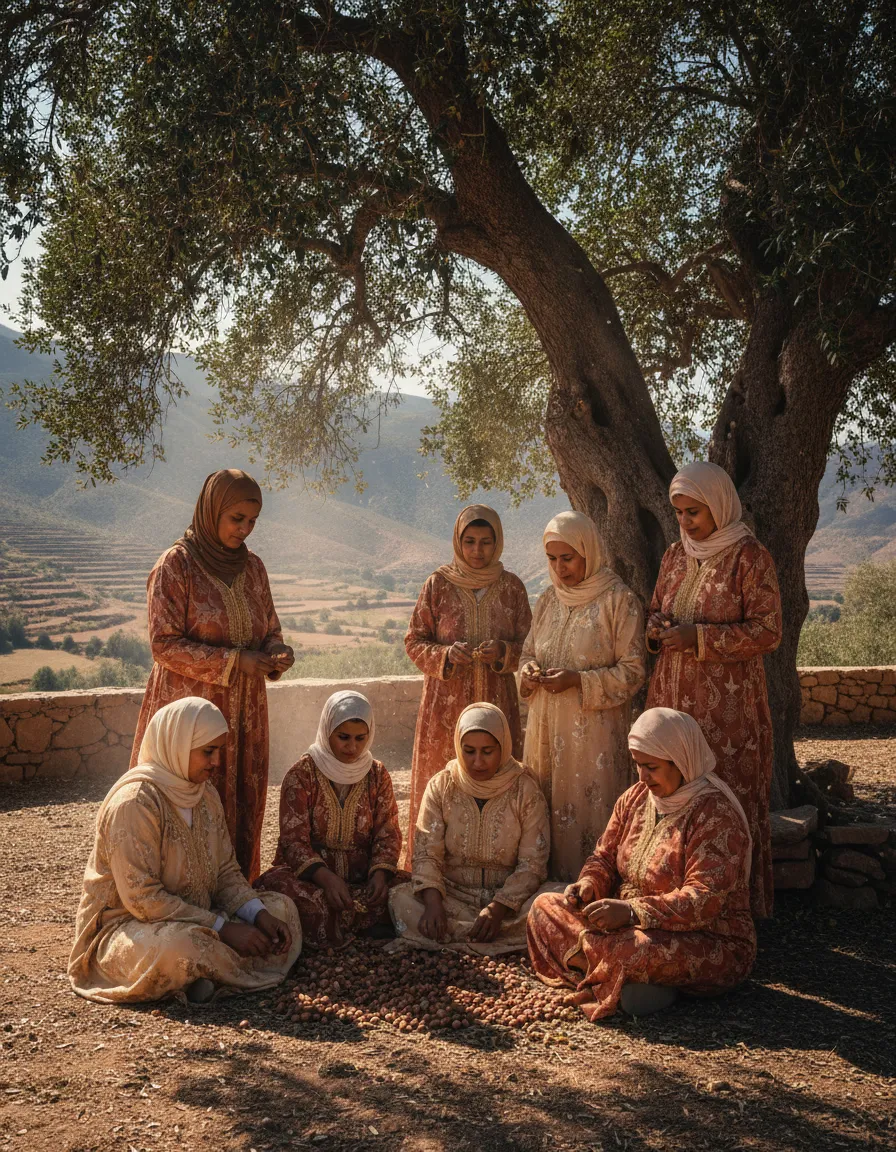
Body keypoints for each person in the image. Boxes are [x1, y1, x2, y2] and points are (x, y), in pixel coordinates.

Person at [527, 707, 756, 1021]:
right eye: (638, 766)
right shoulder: (635, 798)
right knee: (543, 907)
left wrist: (634, 912)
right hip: (623, 928)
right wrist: (590, 884)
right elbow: (603, 858)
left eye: (651, 767)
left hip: (707, 938)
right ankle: (625, 982)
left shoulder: (715, 815)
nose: (642, 777)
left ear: (682, 761)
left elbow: (704, 900)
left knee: (634, 950)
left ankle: (613, 975)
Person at [69, 698, 301, 1005]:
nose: (217, 762)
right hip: (130, 928)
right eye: (208, 751)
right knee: (181, 947)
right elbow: (142, 899)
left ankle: (203, 978)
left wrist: (257, 915)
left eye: (219, 750)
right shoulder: (136, 803)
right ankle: (206, 973)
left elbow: (225, 872)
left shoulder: (205, 795)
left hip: (201, 916)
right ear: (176, 745)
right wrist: (223, 928)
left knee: (282, 909)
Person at [130, 468, 294, 881]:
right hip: (190, 716)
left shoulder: (253, 568)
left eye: (252, 521)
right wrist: (235, 662)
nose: (245, 529)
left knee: (240, 799)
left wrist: (276, 650)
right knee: (187, 800)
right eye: (236, 518)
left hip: (246, 713)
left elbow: (269, 628)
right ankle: (183, 901)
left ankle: (236, 898)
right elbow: (163, 645)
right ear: (211, 510)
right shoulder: (176, 566)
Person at [645, 461, 782, 917]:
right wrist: (659, 629)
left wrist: (700, 638)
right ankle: (670, 899)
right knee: (673, 790)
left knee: (727, 792)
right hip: (671, 696)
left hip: (728, 708)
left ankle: (729, 908)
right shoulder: (674, 555)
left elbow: (768, 631)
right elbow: (655, 609)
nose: (685, 523)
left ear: (719, 506)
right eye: (679, 513)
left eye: (694, 513)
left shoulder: (750, 557)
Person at [519, 511, 646, 882]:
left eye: (568, 558)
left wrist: (579, 681)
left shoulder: (619, 601)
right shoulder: (547, 600)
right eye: (552, 559)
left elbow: (634, 671)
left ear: (589, 552)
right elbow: (529, 651)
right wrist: (526, 671)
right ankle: (541, 898)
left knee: (590, 816)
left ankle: (591, 892)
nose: (559, 568)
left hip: (594, 740)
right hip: (543, 732)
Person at [404, 504, 531, 864]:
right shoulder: (438, 585)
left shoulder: (512, 588)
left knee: (496, 776)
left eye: (486, 542)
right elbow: (413, 641)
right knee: (442, 784)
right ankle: (434, 867)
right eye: (470, 541)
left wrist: (504, 652)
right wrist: (445, 656)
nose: (478, 551)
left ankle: (497, 863)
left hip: (497, 704)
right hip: (445, 707)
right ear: (458, 542)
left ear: (498, 543)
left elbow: (533, 646)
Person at [389, 702, 557, 955]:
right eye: (468, 751)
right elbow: (426, 852)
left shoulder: (525, 789)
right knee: (400, 898)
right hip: (452, 898)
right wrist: (434, 904)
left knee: (556, 900)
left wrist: (498, 908)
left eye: (487, 751)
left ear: (503, 746)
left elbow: (533, 863)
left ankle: (459, 935)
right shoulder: (442, 785)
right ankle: (499, 939)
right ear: (458, 746)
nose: (477, 762)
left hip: (510, 903)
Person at [254, 691, 406, 949]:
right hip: (312, 879)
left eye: (361, 738)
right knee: (296, 899)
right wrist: (326, 878)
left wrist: (379, 875)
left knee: (409, 894)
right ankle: (364, 927)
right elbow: (293, 841)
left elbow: (388, 832)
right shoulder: (301, 774)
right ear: (327, 732)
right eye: (343, 737)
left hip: (362, 877)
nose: (352, 747)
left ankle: (352, 924)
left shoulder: (377, 774)